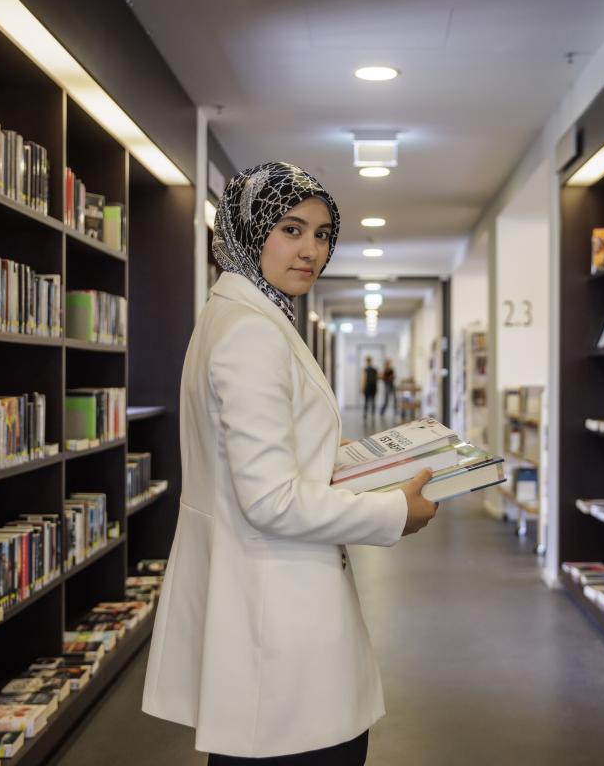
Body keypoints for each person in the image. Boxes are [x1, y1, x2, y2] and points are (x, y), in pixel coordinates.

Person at [141, 162, 439, 765]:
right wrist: (392, 511)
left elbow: (272, 461)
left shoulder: (243, 316)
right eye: (291, 228)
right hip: (277, 611)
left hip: (266, 600)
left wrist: (364, 463)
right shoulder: (251, 332)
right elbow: (272, 499)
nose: (310, 250)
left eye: (323, 234)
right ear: (250, 230)